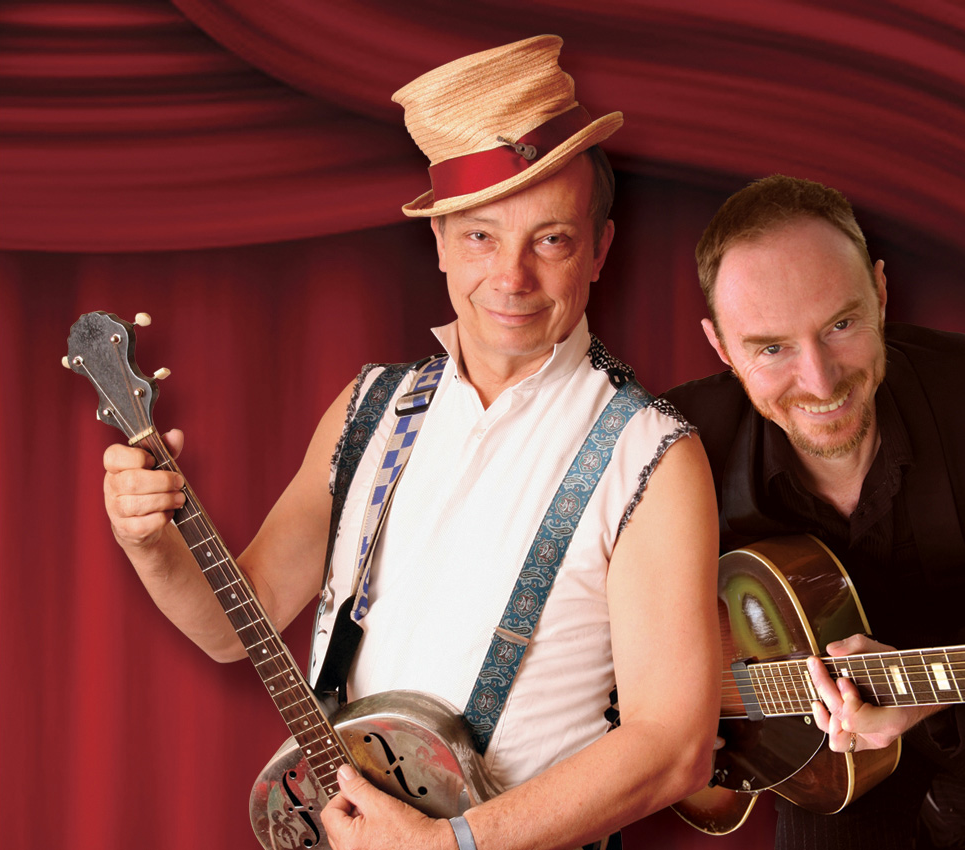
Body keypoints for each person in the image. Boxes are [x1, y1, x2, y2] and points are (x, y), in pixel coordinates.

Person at [103, 35, 721, 850]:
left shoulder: (650, 455)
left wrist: (447, 844)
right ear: (437, 241)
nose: (510, 278)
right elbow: (232, 626)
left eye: (551, 239)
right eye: (479, 237)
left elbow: (672, 745)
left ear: (599, 250)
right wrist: (149, 544)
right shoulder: (369, 408)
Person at [665, 174, 965, 848]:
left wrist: (925, 698)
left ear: (880, 293)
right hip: (831, 769)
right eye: (771, 348)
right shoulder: (671, 451)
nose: (820, 381)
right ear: (721, 347)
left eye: (840, 325)